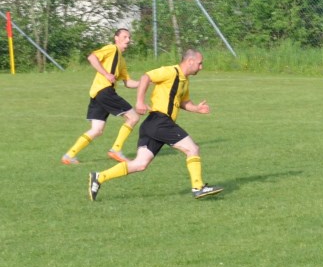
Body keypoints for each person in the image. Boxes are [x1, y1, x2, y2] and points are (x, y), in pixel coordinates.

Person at [87, 49, 222, 201]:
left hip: (152, 124)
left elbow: (183, 102)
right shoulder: (170, 71)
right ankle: (198, 187)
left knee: (140, 164)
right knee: (193, 148)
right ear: (190, 61)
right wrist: (139, 101)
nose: (201, 67)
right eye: (199, 63)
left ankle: (99, 177)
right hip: (160, 121)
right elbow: (146, 77)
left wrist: (196, 108)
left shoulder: (185, 80)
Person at [62, 28, 141, 165]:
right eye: (125, 37)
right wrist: (106, 74)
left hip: (98, 93)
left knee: (97, 130)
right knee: (133, 117)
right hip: (105, 91)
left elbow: (128, 82)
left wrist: (145, 82)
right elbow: (92, 57)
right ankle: (116, 150)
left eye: (129, 37)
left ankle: (69, 156)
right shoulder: (112, 48)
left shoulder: (121, 60)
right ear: (116, 38)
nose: (128, 40)